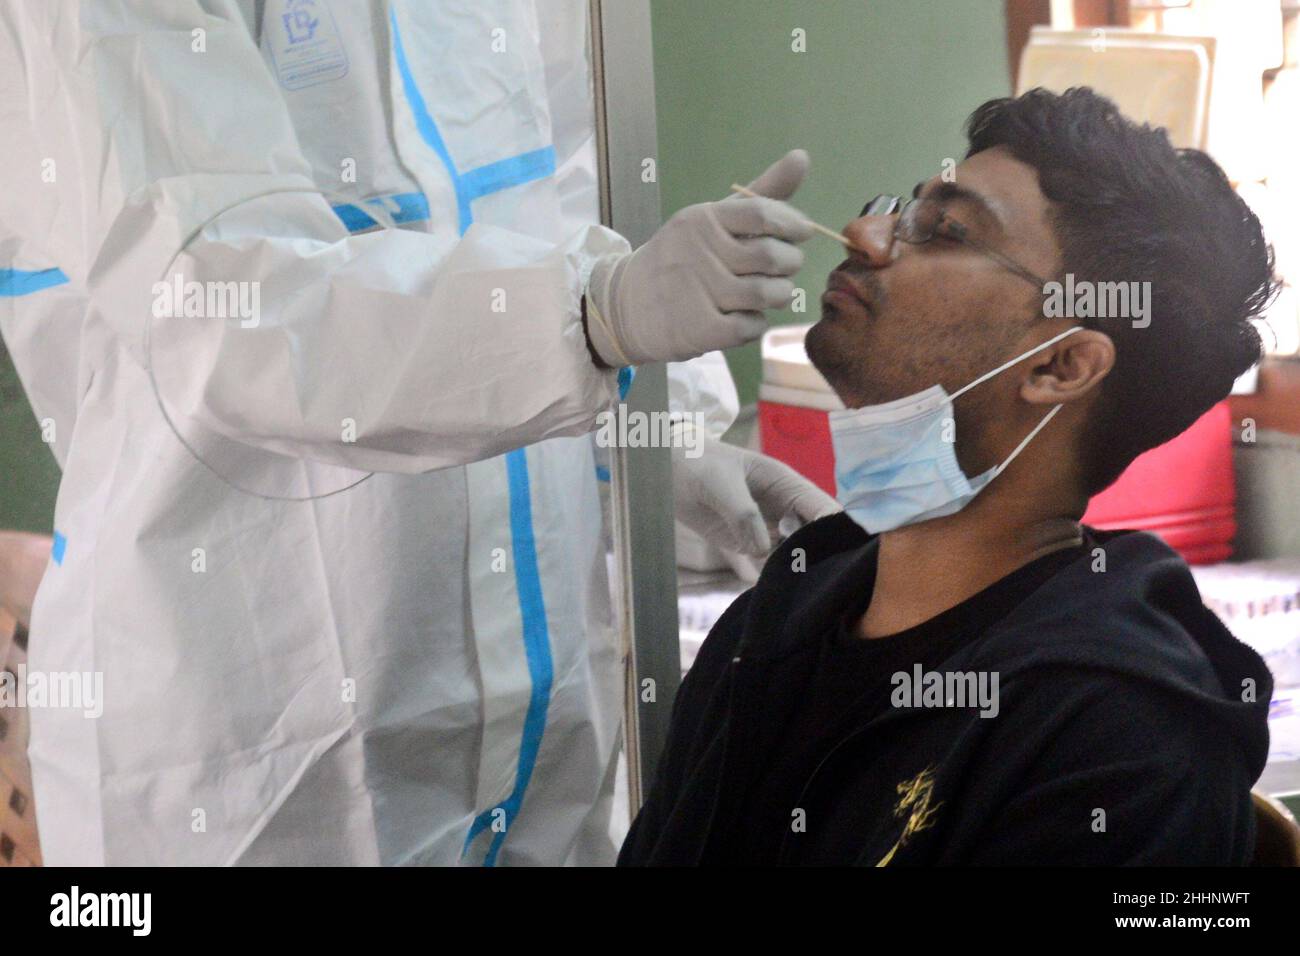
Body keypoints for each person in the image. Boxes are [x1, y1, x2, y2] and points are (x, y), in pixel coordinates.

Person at [0, 0, 836, 865]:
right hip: (252, 748)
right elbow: (226, 300)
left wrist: (649, 428)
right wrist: (590, 316)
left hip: (542, 725)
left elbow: (563, 188)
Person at [619, 87, 1278, 866]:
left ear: (1062, 364)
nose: (865, 235)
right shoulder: (782, 616)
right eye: (903, 210)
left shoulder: (1120, 741)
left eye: (945, 232)